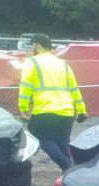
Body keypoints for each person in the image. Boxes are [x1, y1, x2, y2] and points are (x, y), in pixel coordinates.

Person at [18, 33, 88, 170]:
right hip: (67, 112)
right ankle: (73, 172)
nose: (31, 48)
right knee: (62, 143)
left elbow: (25, 88)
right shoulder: (63, 64)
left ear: (38, 45)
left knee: (42, 139)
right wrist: (81, 110)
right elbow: (74, 89)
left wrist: (23, 108)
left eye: (32, 45)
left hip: (45, 110)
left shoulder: (32, 62)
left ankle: (68, 167)